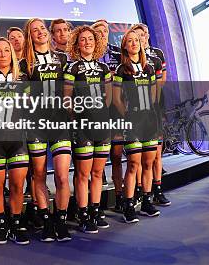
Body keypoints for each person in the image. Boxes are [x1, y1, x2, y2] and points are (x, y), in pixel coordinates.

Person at [20, 18, 72, 242]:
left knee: (61, 176)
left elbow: (69, 92)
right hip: (37, 124)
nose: (40, 32)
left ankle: (61, 220)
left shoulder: (62, 58)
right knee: (38, 174)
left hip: (59, 123)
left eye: (42, 28)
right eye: (35, 30)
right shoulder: (24, 63)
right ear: (29, 35)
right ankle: (46, 220)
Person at [0, 37, 30, 245]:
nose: (2, 54)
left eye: (6, 51)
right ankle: (1, 222)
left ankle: (16, 222)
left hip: (18, 139)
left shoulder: (23, 78)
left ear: (12, 54)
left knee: (18, 185)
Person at [64, 26, 112, 233]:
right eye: (82, 39)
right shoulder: (72, 68)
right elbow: (67, 99)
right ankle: (83, 214)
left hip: (102, 125)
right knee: (83, 175)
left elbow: (109, 99)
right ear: (76, 43)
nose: (87, 42)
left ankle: (95, 210)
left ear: (96, 41)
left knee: (98, 172)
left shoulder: (104, 69)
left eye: (90, 39)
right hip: (83, 127)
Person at [112, 28, 159, 223]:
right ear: (124, 46)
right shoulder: (121, 70)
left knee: (148, 163)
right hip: (133, 122)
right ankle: (128, 204)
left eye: (136, 40)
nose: (134, 43)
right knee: (133, 165)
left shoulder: (149, 68)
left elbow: (155, 94)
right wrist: (129, 116)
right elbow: (116, 99)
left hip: (150, 121)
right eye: (129, 41)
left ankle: (147, 201)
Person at [133, 23, 170, 207]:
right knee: (140, 155)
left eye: (145, 33)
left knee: (157, 153)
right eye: (139, 34)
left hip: (156, 107)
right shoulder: (132, 57)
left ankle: (158, 189)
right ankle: (141, 190)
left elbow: (161, 79)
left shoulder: (158, 54)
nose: (143, 36)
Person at [92, 19, 123, 211]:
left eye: (104, 31)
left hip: (115, 109)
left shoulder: (117, 53)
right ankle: (96, 204)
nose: (102, 34)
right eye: (98, 31)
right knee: (96, 159)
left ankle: (120, 197)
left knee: (118, 155)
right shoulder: (85, 56)